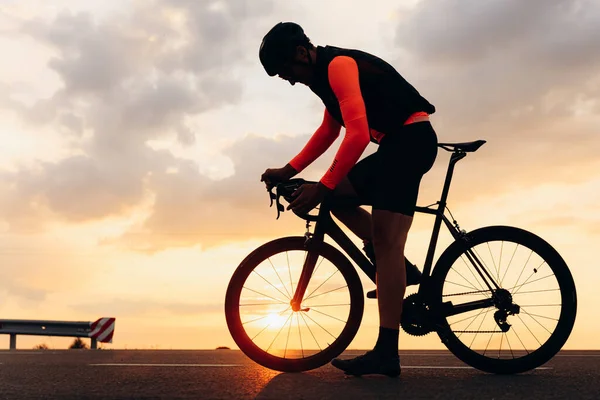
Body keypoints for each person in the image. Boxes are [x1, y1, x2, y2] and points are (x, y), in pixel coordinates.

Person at [259, 22, 438, 377]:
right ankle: (398, 265)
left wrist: (322, 185)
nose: (291, 81)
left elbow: (356, 135)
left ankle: (387, 352)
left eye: (287, 72)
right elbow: (329, 129)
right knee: (340, 200)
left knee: (382, 239)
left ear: (300, 53)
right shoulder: (322, 80)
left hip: (411, 142)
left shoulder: (338, 66)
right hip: (397, 145)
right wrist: (288, 170)